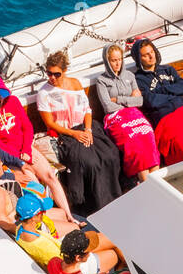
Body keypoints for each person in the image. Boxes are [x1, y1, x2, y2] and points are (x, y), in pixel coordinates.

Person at [0, 72, 76, 223]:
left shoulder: (13, 101)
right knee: (34, 184)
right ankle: (53, 222)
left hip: (26, 149)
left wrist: (25, 150)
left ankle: (69, 216)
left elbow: (27, 126)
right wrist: (19, 160)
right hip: (12, 158)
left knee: (50, 176)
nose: (2, 99)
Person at [36, 51, 124, 214]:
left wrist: (88, 129)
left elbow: (87, 110)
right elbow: (49, 123)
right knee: (89, 163)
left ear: (64, 71)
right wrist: (74, 134)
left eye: (56, 74)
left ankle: (115, 198)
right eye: (49, 73)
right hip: (65, 134)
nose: (52, 77)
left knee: (110, 155)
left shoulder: (75, 84)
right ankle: (97, 205)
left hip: (85, 128)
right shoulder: (44, 93)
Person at [131, 39, 183, 166]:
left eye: (152, 52)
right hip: (165, 117)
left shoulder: (168, 69)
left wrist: (161, 91)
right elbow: (151, 101)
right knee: (181, 143)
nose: (151, 56)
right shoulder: (138, 79)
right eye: (146, 55)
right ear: (139, 58)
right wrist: (174, 94)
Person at [95, 44, 161, 182]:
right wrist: (130, 99)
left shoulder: (129, 75)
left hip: (133, 114)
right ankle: (145, 181)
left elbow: (140, 101)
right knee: (134, 141)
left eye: (119, 59)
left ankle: (157, 180)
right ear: (107, 61)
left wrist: (119, 99)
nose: (118, 63)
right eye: (113, 60)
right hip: (115, 118)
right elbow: (107, 106)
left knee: (147, 135)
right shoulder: (101, 81)